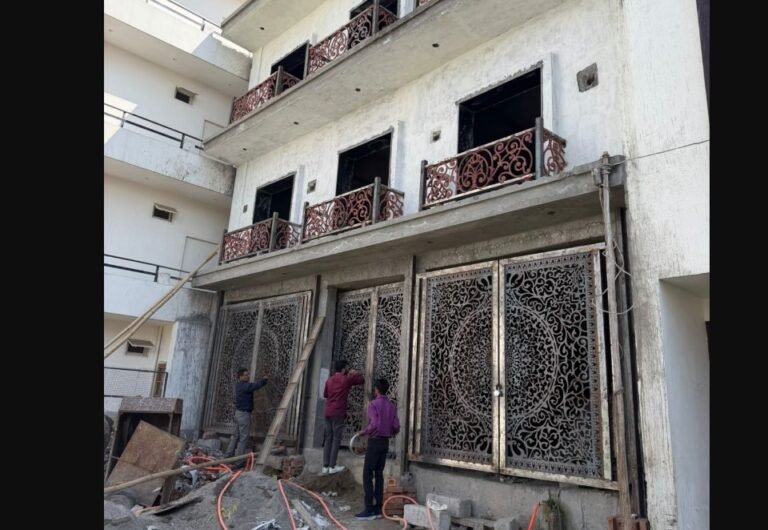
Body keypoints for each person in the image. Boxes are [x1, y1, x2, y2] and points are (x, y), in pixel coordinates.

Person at [355, 378, 400, 520]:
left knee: (367, 474)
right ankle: (378, 508)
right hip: (385, 443)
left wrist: (364, 432)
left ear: (376, 390)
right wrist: (390, 432)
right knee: (379, 474)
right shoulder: (391, 406)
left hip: (374, 442)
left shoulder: (373, 405)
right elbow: (396, 426)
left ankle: (369, 509)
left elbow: (374, 424)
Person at [321, 359, 364, 475]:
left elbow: (325, 394)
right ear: (344, 369)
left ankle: (325, 466)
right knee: (336, 438)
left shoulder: (329, 380)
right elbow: (361, 380)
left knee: (328, 438)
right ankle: (332, 466)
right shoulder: (346, 379)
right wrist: (355, 372)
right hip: (338, 412)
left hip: (328, 412)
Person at [225, 368, 268, 462]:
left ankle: (228, 456)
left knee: (235, 436)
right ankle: (239, 461)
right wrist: (264, 380)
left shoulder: (239, 385)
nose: (248, 376)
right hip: (243, 415)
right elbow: (255, 386)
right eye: (246, 375)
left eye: (248, 374)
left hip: (238, 414)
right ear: (241, 376)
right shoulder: (244, 386)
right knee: (243, 438)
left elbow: (252, 386)